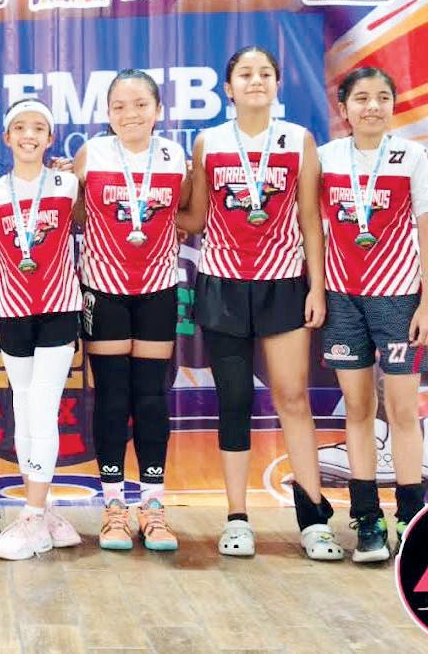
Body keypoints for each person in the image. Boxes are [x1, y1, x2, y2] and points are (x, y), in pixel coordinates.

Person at [178, 46, 343, 560]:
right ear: (228, 88)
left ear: (277, 83)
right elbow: (196, 217)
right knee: (234, 401)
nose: (255, 81)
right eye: (245, 74)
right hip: (222, 284)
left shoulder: (299, 139)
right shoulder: (209, 142)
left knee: (292, 397)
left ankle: (313, 519)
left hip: (284, 283)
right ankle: (236, 518)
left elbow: (310, 219)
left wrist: (317, 287)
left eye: (265, 73)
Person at [75, 70, 189, 551]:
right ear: (107, 113)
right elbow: (73, 213)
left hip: (158, 287)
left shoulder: (174, 156)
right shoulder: (91, 154)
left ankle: (154, 506)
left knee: (150, 396)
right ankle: (114, 507)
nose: (130, 114)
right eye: (119, 106)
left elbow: (189, 213)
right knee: (112, 397)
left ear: (158, 109)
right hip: (103, 288)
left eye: (141, 104)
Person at [318, 67, 428, 561]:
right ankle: (367, 519)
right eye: (361, 98)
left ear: (393, 106)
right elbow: (311, 227)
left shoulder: (413, 157)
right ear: (344, 108)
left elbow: (425, 229)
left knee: (402, 411)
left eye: (382, 97)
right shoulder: (325, 158)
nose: (373, 106)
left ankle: (412, 517)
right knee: (358, 408)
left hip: (399, 298)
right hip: (342, 298)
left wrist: (427, 301)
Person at [0, 99, 83, 561]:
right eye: (20, 127)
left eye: (38, 128)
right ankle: (41, 511)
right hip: (13, 310)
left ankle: (33, 516)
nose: (29, 135)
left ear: (50, 138)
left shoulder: (68, 183)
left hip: (59, 308)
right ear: (7, 137)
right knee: (23, 409)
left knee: (42, 404)